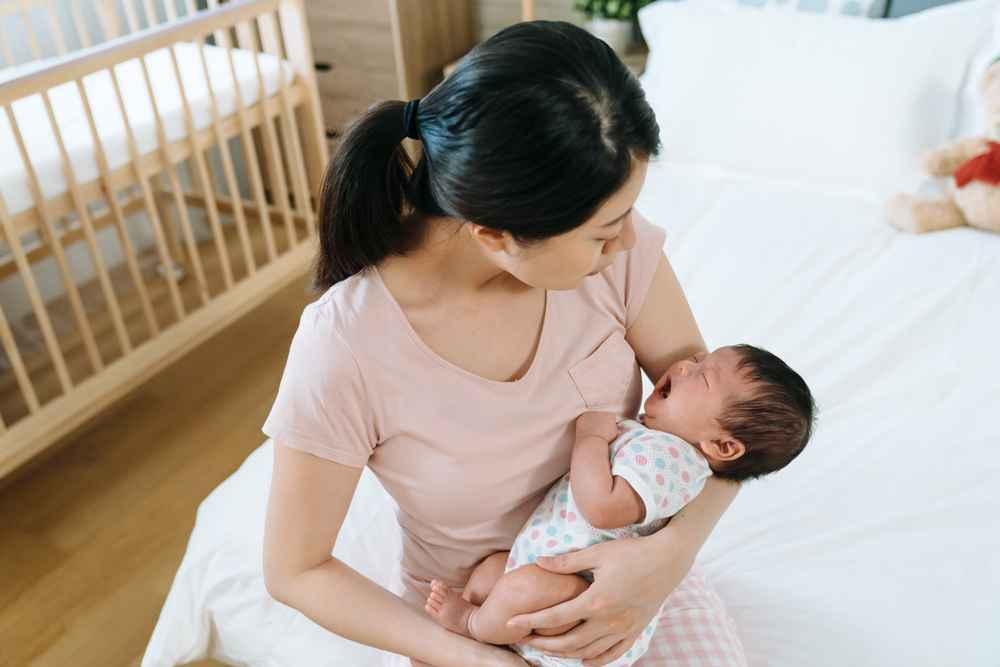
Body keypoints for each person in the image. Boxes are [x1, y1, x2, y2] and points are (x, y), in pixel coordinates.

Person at [262, 20, 747, 667]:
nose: (631, 241)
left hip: (633, 577)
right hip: (470, 618)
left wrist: (666, 559)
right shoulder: (346, 345)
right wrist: (482, 658)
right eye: (604, 232)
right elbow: (296, 569)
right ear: (494, 235)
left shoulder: (620, 259)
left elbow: (724, 435)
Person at [423, 345, 816, 667]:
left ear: (722, 446)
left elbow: (603, 509)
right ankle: (488, 633)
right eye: (699, 359)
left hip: (583, 597)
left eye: (702, 376)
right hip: (551, 573)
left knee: (520, 588)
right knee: (493, 573)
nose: (684, 365)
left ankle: (472, 623)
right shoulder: (657, 442)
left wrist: (590, 439)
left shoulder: (673, 461)